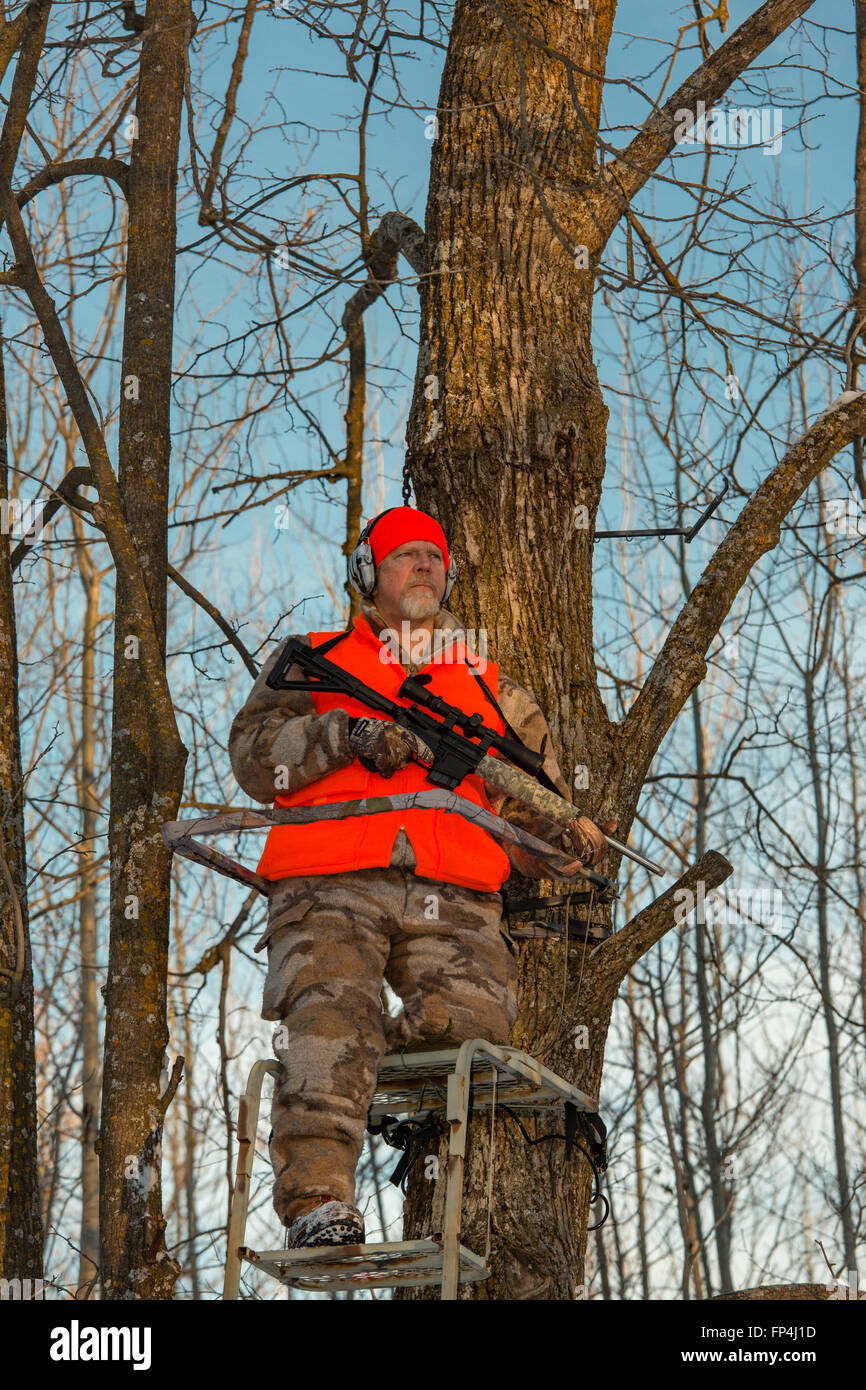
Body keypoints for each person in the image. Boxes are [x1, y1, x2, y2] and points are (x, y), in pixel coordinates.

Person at [228, 506, 613, 1248]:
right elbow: (254, 759)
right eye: (404, 555)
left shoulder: (491, 688)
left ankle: (361, 1056)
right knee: (329, 1014)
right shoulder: (316, 659)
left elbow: (532, 809)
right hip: (329, 880)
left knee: (475, 1029)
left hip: (455, 892)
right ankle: (317, 1204)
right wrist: (346, 736)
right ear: (368, 576)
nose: (423, 567)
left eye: (434, 556)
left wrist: (566, 840)